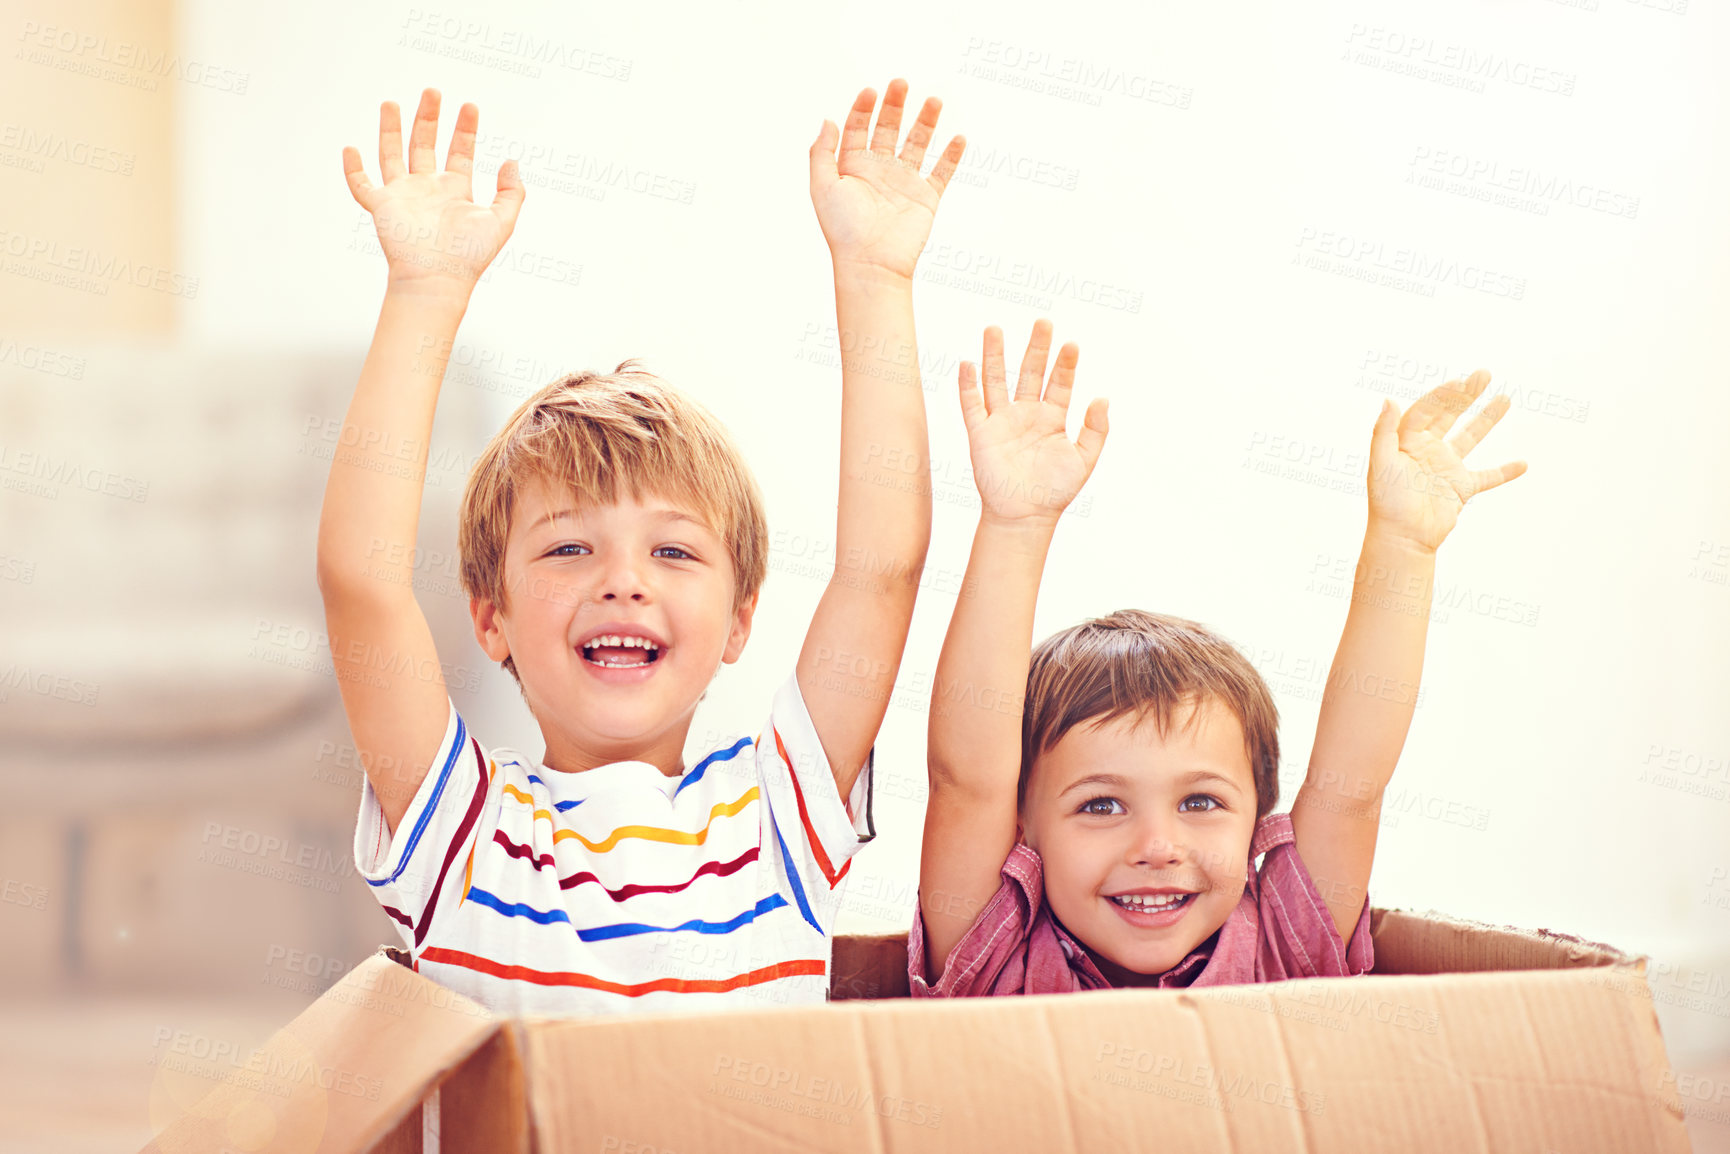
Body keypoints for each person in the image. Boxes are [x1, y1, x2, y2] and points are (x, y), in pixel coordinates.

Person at [319, 82, 964, 1014]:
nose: (622, 582)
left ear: (742, 618)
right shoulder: (465, 828)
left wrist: (875, 282)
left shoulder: (777, 812)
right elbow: (362, 586)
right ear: (489, 618)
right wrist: (424, 294)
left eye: (674, 554)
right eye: (569, 550)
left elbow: (883, 570)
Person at [910, 321, 1525, 994]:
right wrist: (1015, 527)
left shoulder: (1286, 949)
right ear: (1023, 825)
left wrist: (1403, 548)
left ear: (1261, 820)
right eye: (1101, 806)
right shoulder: (994, 960)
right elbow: (966, 783)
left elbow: (1351, 791)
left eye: (1201, 801)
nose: (1157, 847)